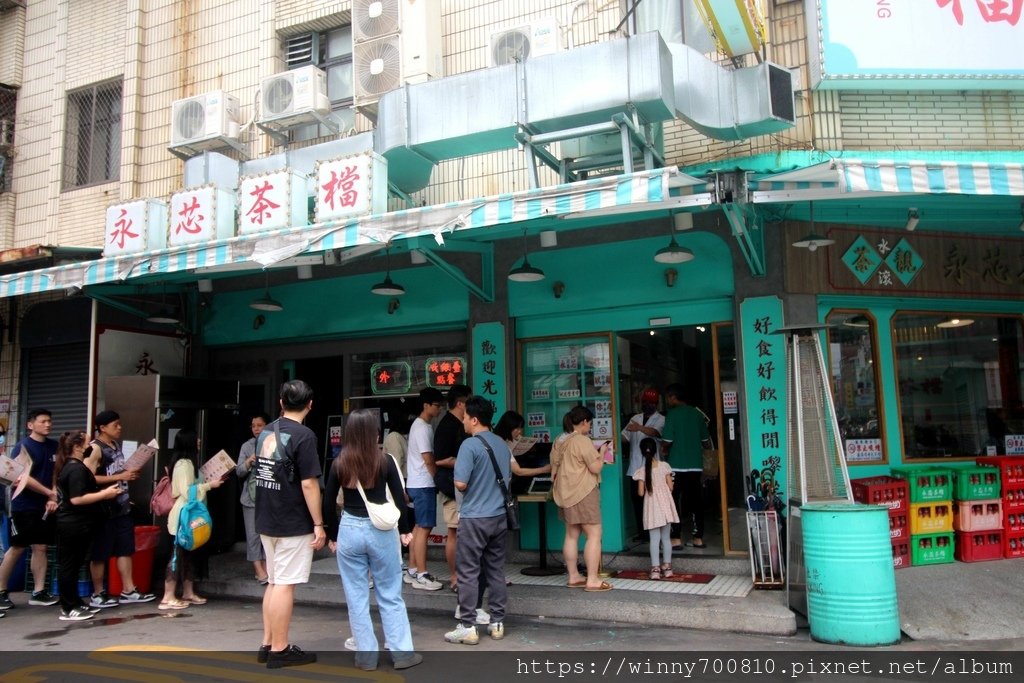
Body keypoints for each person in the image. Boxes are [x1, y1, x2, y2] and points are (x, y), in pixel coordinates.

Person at [323, 409, 422, 672]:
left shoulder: (339, 463)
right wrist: (404, 530)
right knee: (390, 593)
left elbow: (327, 501)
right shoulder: (385, 461)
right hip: (380, 529)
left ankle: (366, 657)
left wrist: (332, 536)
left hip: (350, 528)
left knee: (356, 595)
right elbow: (399, 499)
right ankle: (402, 654)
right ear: (374, 433)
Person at [253, 379, 325, 669]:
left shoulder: (266, 431)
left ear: (281, 403)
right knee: (284, 585)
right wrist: (318, 523)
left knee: (273, 582)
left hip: (266, 517)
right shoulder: (305, 436)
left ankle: (268, 643)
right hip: (292, 520)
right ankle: (280, 650)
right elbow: (309, 484)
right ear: (310, 405)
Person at [444, 396, 512, 645]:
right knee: (495, 570)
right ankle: (497, 623)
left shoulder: (469, 446)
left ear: (474, 419)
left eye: (464, 417)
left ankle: (467, 626)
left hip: (474, 518)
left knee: (468, 572)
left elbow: (460, 483)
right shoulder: (502, 445)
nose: (462, 421)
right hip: (498, 517)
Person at [88, 410, 156, 608]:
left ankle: (129, 589)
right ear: (102, 428)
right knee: (100, 552)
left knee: (125, 549)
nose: (120, 428)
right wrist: (119, 477)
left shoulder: (116, 445)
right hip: (103, 507)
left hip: (122, 505)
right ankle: (98, 593)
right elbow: (89, 477)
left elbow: (117, 471)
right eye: (115, 425)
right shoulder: (95, 448)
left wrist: (128, 473)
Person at [54, 430, 120, 621]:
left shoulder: (74, 466)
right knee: (69, 565)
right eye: (85, 442)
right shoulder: (75, 469)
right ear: (76, 447)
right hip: (72, 524)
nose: (89, 444)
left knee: (74, 565)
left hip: (78, 523)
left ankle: (75, 602)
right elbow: (77, 499)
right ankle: (68, 606)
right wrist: (104, 494)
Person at [0, 409, 60, 610]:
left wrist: (53, 493)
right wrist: (47, 493)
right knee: (17, 547)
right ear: (30, 425)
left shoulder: (54, 446)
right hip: (23, 506)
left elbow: (56, 472)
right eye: (43, 421)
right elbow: (20, 477)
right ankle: (1, 591)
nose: (48, 425)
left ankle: (39, 591)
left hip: (44, 506)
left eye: (49, 421)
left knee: (41, 546)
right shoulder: (23, 446)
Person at [159, 429, 224, 610]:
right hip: (183, 516)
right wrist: (210, 485)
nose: (199, 441)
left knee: (189, 555)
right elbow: (188, 492)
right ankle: (168, 596)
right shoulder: (184, 464)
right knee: (177, 555)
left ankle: (188, 592)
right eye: (196, 439)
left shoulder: (188, 463)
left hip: (190, 514)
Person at [550, 406, 613, 592]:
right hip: (583, 493)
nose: (590, 427)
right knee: (594, 534)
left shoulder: (559, 440)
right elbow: (595, 468)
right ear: (584, 422)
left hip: (564, 494)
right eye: (590, 423)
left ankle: (573, 576)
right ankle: (592, 580)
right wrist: (602, 453)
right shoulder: (582, 440)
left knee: (571, 535)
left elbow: (553, 465)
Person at [660, 383, 712, 549]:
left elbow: (667, 441)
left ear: (674, 397)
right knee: (696, 501)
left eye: (668, 397)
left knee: (674, 501)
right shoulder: (697, 414)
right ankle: (698, 538)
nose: (668, 400)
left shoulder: (672, 415)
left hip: (676, 465)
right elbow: (706, 442)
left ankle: (675, 538)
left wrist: (663, 449)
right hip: (695, 465)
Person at [403, 386, 444, 591]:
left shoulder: (421, 426)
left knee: (419, 527)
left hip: (416, 483)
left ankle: (412, 570)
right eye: (437, 405)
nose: (439, 409)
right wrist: (438, 478)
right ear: (426, 405)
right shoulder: (421, 427)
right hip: (423, 483)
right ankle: (421, 573)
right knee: (424, 528)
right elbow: (428, 458)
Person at [432, 383, 471, 592]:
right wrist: (464, 461)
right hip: (452, 486)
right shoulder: (448, 425)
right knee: (454, 532)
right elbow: (439, 459)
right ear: (459, 403)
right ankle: (455, 577)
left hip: (463, 485)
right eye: (468, 402)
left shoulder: (461, 423)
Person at [621, 389, 665, 540]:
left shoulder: (661, 419)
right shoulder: (635, 417)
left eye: (651, 403)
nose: (647, 405)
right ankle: (642, 533)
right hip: (634, 468)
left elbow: (656, 433)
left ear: (656, 404)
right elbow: (624, 437)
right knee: (637, 502)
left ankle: (654, 533)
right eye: (645, 402)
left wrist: (639, 428)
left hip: (652, 469)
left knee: (653, 502)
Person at [633, 437, 678, 580]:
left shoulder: (641, 471)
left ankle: (655, 569)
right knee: (666, 538)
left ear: (641, 451)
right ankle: (668, 568)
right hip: (665, 506)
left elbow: (640, 493)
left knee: (654, 539)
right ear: (656, 450)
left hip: (652, 507)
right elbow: (671, 487)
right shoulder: (665, 466)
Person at [235, 412, 271, 585]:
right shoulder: (246, 446)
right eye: (254, 425)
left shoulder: (273, 442)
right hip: (250, 497)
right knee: (253, 534)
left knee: (267, 533)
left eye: (260, 425)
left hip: (270, 496)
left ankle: (265, 566)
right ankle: (258, 568)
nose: (256, 429)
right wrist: (249, 462)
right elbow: (238, 471)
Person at [494, 410, 552, 478]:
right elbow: (518, 471)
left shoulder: (495, 439)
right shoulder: (502, 446)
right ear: (508, 427)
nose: (520, 432)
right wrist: (544, 469)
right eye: (517, 428)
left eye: (521, 428)